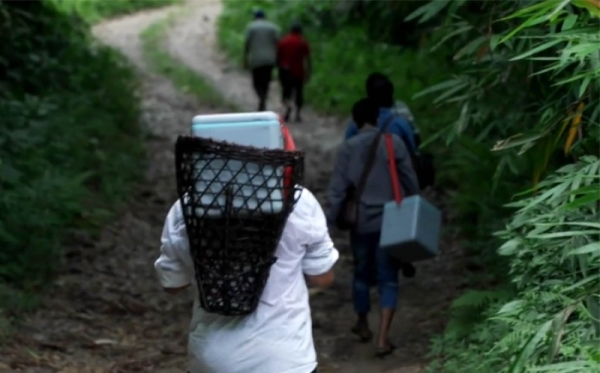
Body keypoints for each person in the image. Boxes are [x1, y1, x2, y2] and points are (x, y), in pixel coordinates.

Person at [155, 187, 338, 373]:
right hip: (284, 358)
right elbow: (322, 278)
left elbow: (173, 285)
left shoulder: (187, 205)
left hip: (213, 360)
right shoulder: (299, 201)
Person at [326, 98, 420, 357]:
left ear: (355, 122)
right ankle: (383, 337)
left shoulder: (348, 148)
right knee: (388, 278)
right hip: (393, 221)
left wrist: (328, 224)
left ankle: (363, 322)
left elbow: (337, 191)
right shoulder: (393, 143)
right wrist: (415, 206)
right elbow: (409, 180)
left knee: (361, 275)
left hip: (362, 224)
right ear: (377, 119)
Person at [344, 73, 418, 157]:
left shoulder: (358, 120)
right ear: (391, 94)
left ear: (368, 96)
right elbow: (413, 145)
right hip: (395, 166)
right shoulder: (401, 115)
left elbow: (347, 149)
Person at [244, 10, 280, 111]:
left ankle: (261, 97)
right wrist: (278, 58)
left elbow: (247, 44)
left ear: (255, 17)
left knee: (256, 82)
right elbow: (277, 43)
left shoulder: (251, 27)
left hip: (256, 59)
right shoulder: (272, 27)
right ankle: (263, 98)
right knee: (266, 81)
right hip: (269, 59)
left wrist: (245, 59)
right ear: (265, 17)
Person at [276, 22, 312, 123]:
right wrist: (309, 71)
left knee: (286, 93)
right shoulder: (303, 42)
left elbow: (278, 57)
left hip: (286, 71)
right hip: (298, 71)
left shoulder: (283, 41)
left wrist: (279, 70)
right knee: (299, 93)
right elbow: (307, 59)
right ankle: (298, 114)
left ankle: (288, 110)